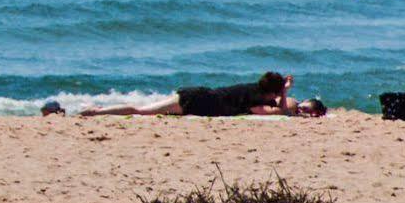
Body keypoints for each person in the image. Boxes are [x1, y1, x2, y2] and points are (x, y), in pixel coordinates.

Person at [79, 73, 328, 118]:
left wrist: (282, 92)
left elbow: (280, 109)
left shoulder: (253, 90)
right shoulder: (253, 100)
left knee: (143, 108)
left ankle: (98, 109)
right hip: (196, 101)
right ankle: (97, 111)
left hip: (198, 96)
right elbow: (281, 112)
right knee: (141, 110)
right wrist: (285, 95)